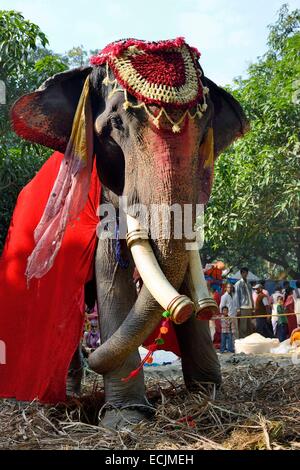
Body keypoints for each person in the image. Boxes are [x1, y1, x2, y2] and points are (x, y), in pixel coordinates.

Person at [234, 267, 254, 338]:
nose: (246, 274)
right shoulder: (238, 284)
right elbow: (236, 297)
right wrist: (238, 309)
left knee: (249, 325)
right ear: (241, 273)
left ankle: (249, 340)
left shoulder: (248, 283)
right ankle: (242, 340)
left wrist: (253, 306)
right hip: (243, 307)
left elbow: (251, 295)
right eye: (244, 272)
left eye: (247, 273)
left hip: (249, 306)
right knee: (243, 326)